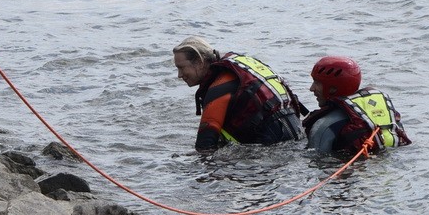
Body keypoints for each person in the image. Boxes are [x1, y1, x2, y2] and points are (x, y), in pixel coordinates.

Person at [172, 36, 307, 151]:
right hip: (297, 133)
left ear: (200, 62)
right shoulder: (239, 67)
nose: (179, 75)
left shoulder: (218, 90)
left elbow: (204, 146)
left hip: (275, 146)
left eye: (181, 67)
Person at [303, 56, 412, 156]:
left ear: (333, 88)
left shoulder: (324, 125)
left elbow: (317, 159)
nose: (311, 88)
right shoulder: (388, 113)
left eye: (317, 83)